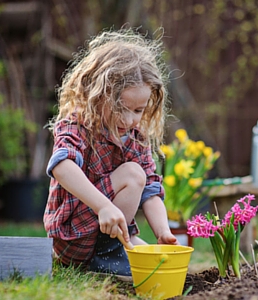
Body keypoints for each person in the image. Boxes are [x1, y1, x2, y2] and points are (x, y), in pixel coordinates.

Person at [43, 28, 178, 276]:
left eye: (138, 110)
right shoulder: (78, 124)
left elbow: (150, 189)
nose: (129, 120)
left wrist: (163, 231)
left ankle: (111, 251)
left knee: (157, 266)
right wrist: (104, 206)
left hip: (108, 232)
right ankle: (106, 254)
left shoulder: (136, 137)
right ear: (97, 95)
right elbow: (61, 166)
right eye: (121, 107)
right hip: (72, 234)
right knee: (132, 175)